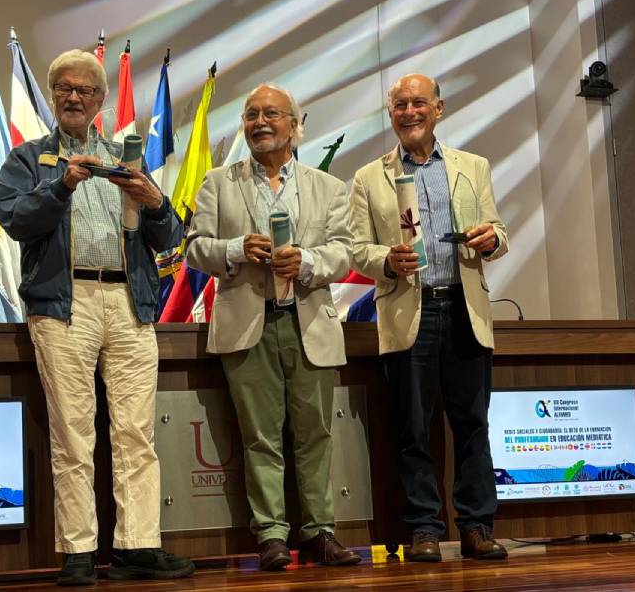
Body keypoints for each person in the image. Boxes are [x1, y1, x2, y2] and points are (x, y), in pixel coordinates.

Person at [0, 49, 194, 586]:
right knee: (73, 434)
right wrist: (62, 184)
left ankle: (137, 546)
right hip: (65, 304)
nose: (74, 97)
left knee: (136, 433)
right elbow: (12, 218)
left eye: (85, 90)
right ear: (53, 96)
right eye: (64, 88)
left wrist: (153, 200)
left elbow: (171, 238)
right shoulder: (29, 159)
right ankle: (79, 550)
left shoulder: (125, 159)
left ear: (102, 101)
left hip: (129, 304)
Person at [185, 84, 360, 571]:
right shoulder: (218, 182)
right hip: (247, 323)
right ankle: (271, 536)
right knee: (260, 436)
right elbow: (195, 248)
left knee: (314, 434)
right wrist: (237, 249)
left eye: (271, 114)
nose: (260, 122)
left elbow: (344, 251)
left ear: (294, 124)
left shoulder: (327, 187)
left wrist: (306, 261)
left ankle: (320, 533)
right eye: (251, 115)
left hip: (309, 322)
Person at [348, 73, 510, 562]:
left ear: (438, 108)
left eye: (419, 102)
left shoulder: (472, 167)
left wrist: (491, 239)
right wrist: (386, 260)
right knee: (412, 428)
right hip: (406, 310)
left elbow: (499, 231)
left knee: (472, 425)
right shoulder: (367, 177)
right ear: (391, 114)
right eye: (400, 105)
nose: (410, 112)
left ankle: (477, 527)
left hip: (464, 306)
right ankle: (423, 529)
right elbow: (357, 251)